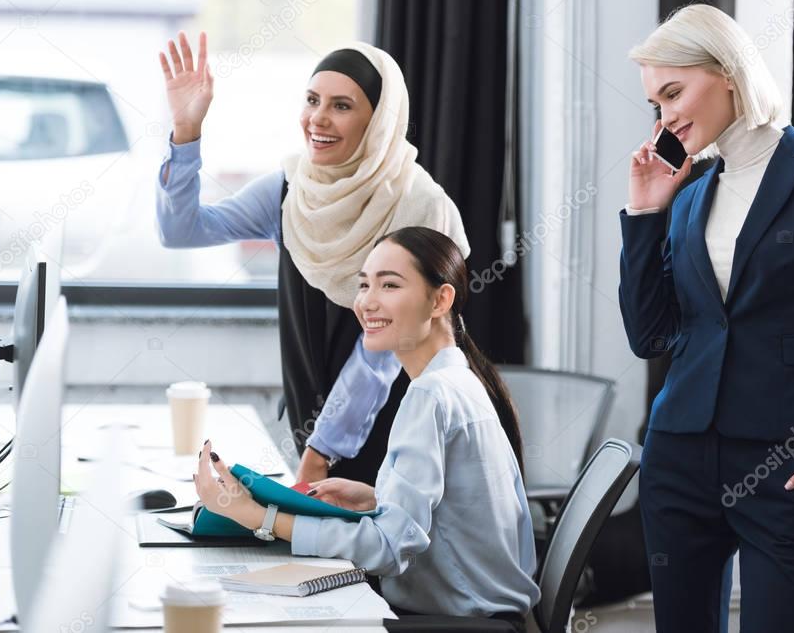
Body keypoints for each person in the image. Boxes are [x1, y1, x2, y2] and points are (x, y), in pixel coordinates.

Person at [619, 4, 794, 632]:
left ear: (726, 71)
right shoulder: (691, 194)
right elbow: (650, 335)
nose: (664, 117)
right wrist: (644, 216)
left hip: (789, 461)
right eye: (655, 104)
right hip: (680, 458)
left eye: (673, 92)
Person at [156, 33, 469, 485]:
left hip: (402, 430)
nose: (318, 118)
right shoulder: (292, 190)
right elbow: (180, 230)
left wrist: (321, 451)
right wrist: (186, 133)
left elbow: (382, 351)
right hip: (315, 426)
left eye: (341, 105)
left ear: (378, 121)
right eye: (311, 100)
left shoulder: (419, 206)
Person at [194, 227, 539, 630]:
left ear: (440, 299)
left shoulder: (431, 394)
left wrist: (258, 517)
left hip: (463, 623)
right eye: (363, 285)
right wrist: (376, 499)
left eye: (389, 285)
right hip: (487, 616)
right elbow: (457, 516)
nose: (367, 302)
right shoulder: (458, 379)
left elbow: (389, 549)